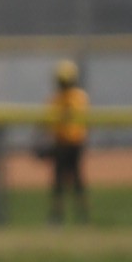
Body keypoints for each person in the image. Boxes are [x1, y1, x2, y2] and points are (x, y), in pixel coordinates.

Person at [44, 54, 89, 223]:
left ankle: (82, 216)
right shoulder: (56, 98)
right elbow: (48, 121)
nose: (63, 85)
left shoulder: (79, 97)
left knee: (77, 181)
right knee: (58, 184)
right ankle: (57, 216)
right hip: (60, 143)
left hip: (75, 143)